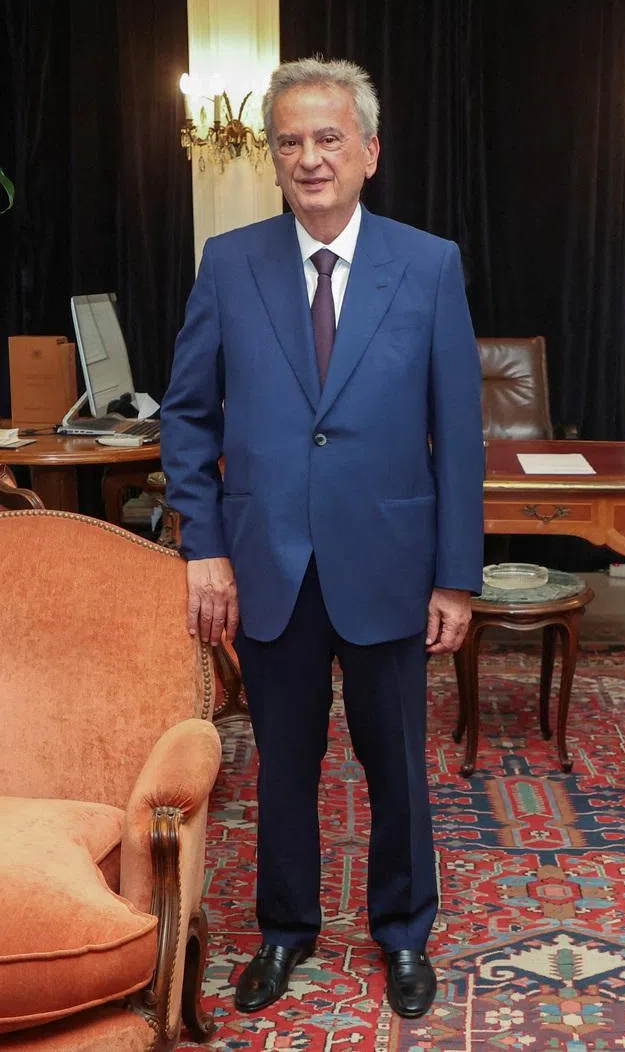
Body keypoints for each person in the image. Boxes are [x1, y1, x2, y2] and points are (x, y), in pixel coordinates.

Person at [161, 56, 485, 1017]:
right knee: (283, 768)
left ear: (369, 152)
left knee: (398, 767)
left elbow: (459, 433)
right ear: (273, 157)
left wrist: (456, 576)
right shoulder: (230, 262)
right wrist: (204, 546)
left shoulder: (429, 264)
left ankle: (404, 933)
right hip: (270, 565)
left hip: (390, 565)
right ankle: (285, 931)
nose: (310, 158)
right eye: (290, 141)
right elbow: (188, 417)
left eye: (329, 138)